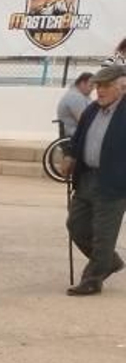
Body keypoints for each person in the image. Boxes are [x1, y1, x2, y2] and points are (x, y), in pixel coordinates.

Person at [58, 60, 126, 296]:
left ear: (122, 87)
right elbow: (79, 138)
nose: (100, 90)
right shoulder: (92, 109)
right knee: (76, 225)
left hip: (115, 183)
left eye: (106, 85)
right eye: (98, 85)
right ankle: (110, 261)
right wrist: (69, 155)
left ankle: (93, 278)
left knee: (103, 234)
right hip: (87, 177)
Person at [56, 72, 95, 140]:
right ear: (82, 84)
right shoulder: (75, 97)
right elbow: (84, 120)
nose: (92, 89)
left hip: (76, 131)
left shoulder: (81, 95)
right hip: (74, 133)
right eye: (91, 86)